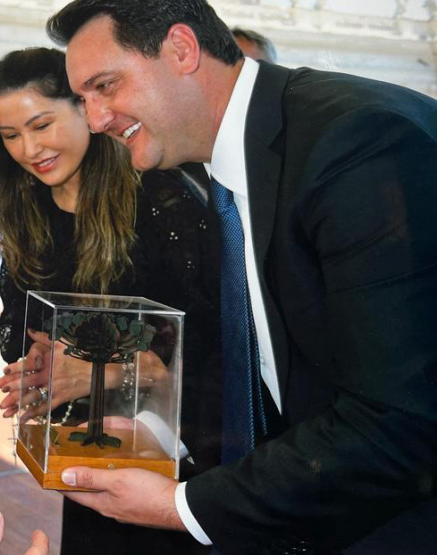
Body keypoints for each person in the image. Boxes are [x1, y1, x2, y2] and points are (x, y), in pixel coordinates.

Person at [48, 1, 437, 553]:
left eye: (105, 86)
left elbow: (398, 422)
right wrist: (163, 435)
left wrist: (178, 506)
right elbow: (273, 373)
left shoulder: (357, 141)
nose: (94, 119)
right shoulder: (224, 167)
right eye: (84, 99)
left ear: (181, 50)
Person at [0, 47, 221, 553]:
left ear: (87, 109)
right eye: (11, 136)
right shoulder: (25, 214)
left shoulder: (162, 201)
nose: (29, 149)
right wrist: (39, 364)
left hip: (184, 469)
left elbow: (218, 352)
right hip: (88, 455)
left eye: (42, 125)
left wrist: (104, 371)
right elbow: (24, 329)